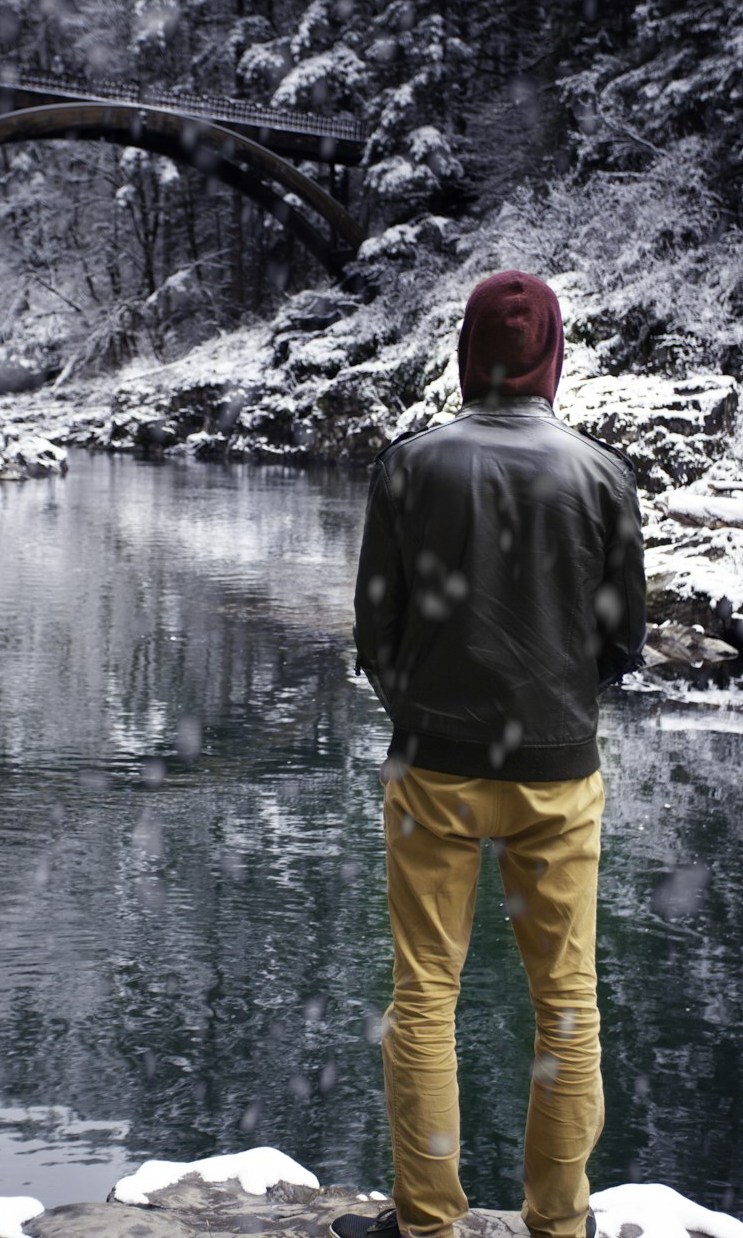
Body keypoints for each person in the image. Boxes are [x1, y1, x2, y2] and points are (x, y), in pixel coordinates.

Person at [330, 271, 646, 1238]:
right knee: (569, 1006)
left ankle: (427, 1222)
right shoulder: (602, 475)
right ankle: (560, 1223)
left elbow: (374, 630)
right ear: (552, 356)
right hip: (558, 771)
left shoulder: (410, 465)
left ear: (470, 353)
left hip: (435, 768)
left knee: (425, 994)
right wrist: (549, 708)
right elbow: (623, 639)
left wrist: (429, 710)